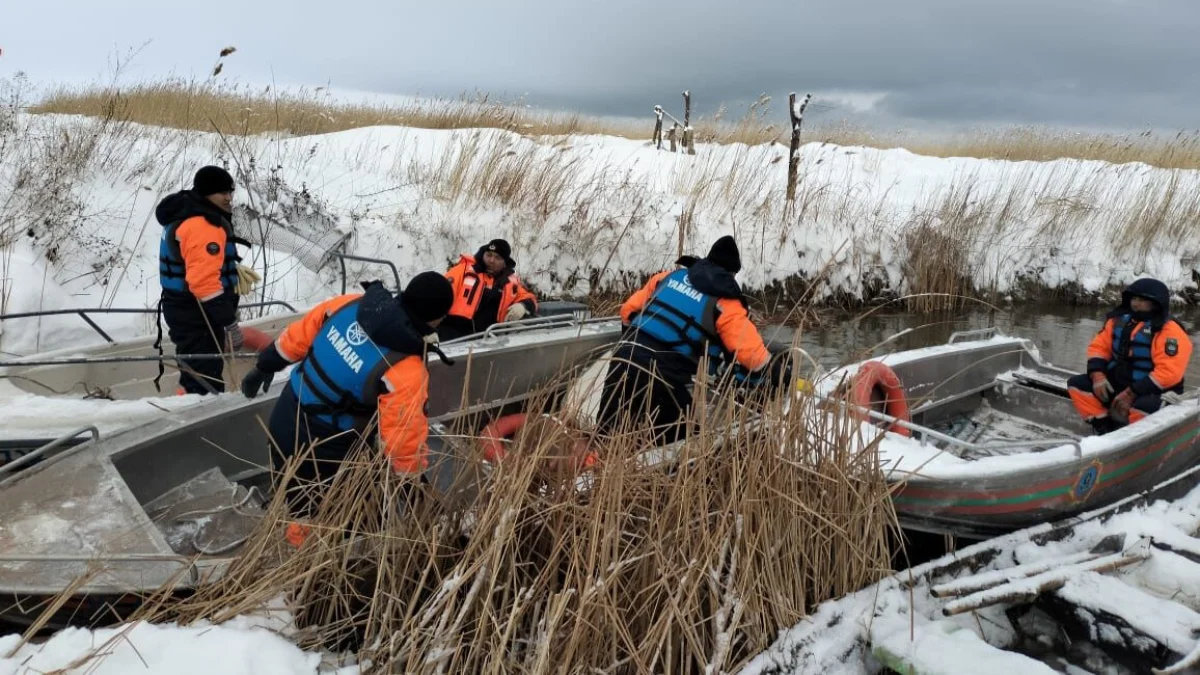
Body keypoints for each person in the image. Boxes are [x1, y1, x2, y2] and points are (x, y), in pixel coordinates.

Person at [239, 273, 454, 546]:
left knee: (294, 492)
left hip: (285, 413)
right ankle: (304, 565)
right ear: (437, 319)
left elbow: (297, 336)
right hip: (321, 447)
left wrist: (264, 365)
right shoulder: (406, 369)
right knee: (327, 514)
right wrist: (415, 488)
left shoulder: (349, 304)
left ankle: (294, 529)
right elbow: (402, 444)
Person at [595, 235, 783, 444]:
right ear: (731, 273)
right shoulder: (726, 303)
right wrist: (777, 372)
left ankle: (586, 472)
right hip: (664, 377)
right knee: (682, 445)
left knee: (604, 438)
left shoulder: (668, 277)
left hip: (623, 359)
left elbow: (627, 310)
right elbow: (753, 358)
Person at [156, 165, 250, 395]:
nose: (229, 198)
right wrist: (229, 322)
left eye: (230, 192)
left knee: (195, 371)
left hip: (184, 310)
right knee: (205, 379)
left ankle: (189, 399)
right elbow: (203, 282)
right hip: (196, 315)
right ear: (207, 194)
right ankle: (200, 419)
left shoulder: (188, 214)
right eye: (222, 193)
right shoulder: (202, 226)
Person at [1067, 278, 1193, 434]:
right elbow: (1098, 348)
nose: (1135, 303)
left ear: (1156, 303)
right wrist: (1097, 376)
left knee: (1143, 407)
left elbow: (1169, 373)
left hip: (1155, 392)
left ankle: (1137, 439)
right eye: (1134, 298)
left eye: (1142, 300)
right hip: (1122, 382)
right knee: (1077, 385)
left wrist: (1131, 393)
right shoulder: (1117, 321)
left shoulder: (1170, 331)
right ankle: (1104, 429)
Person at [438, 239, 538, 341]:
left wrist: (522, 306)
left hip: (489, 337)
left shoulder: (510, 281)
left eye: (497, 257)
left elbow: (530, 298)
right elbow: (438, 294)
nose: (491, 260)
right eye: (489, 255)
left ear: (505, 262)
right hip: (454, 330)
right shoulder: (463, 270)